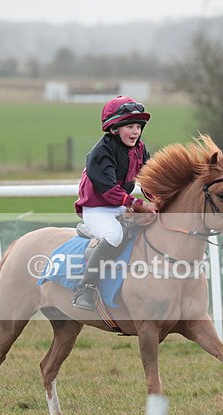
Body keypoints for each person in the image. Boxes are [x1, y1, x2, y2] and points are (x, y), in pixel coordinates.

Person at [72, 95, 158, 310]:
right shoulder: (101, 153)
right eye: (129, 126)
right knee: (114, 235)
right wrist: (139, 204)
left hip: (118, 206)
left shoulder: (139, 149)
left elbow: (147, 180)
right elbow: (109, 191)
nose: (136, 131)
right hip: (96, 207)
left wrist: (158, 200)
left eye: (138, 126)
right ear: (114, 129)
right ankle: (86, 287)